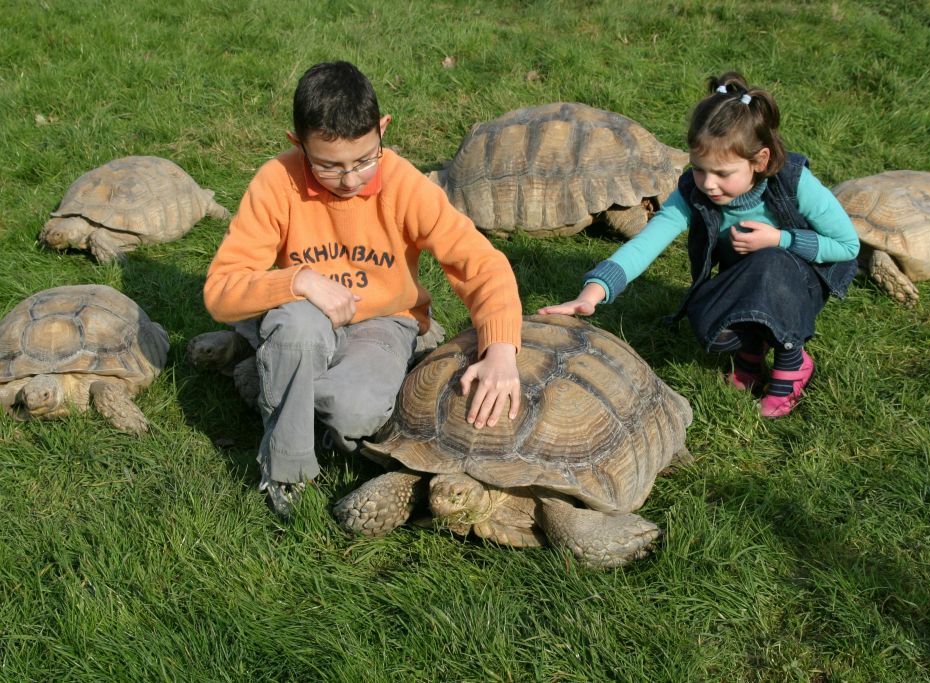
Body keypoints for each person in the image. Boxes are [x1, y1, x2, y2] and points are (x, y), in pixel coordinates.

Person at [204, 61, 522, 519]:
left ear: (383, 129)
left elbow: (481, 263)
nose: (351, 180)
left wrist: (501, 349)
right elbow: (220, 291)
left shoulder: (405, 184)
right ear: (298, 145)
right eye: (330, 167)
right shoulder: (277, 181)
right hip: (306, 316)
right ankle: (286, 471)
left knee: (357, 413)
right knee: (295, 327)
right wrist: (298, 279)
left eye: (364, 159)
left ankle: (274, 378)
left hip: (383, 323)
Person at [539, 72, 859, 418]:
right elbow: (648, 241)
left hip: (802, 284)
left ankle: (791, 357)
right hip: (747, 284)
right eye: (699, 169)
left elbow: (847, 245)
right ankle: (751, 350)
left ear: (760, 161)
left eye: (722, 173)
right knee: (707, 324)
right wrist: (594, 292)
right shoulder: (695, 192)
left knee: (771, 262)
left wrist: (780, 239)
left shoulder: (794, 181)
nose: (708, 184)